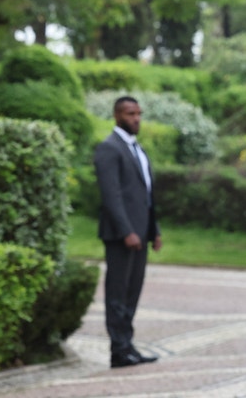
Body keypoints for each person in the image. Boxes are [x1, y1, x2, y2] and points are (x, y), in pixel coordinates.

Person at [94, 96, 162, 368]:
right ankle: (118, 350)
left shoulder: (137, 149)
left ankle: (127, 345)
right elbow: (111, 196)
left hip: (141, 233)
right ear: (117, 115)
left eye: (138, 113)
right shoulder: (109, 148)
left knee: (133, 291)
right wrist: (127, 232)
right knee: (117, 292)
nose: (136, 118)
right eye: (130, 114)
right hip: (121, 235)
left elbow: (146, 195)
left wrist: (154, 230)